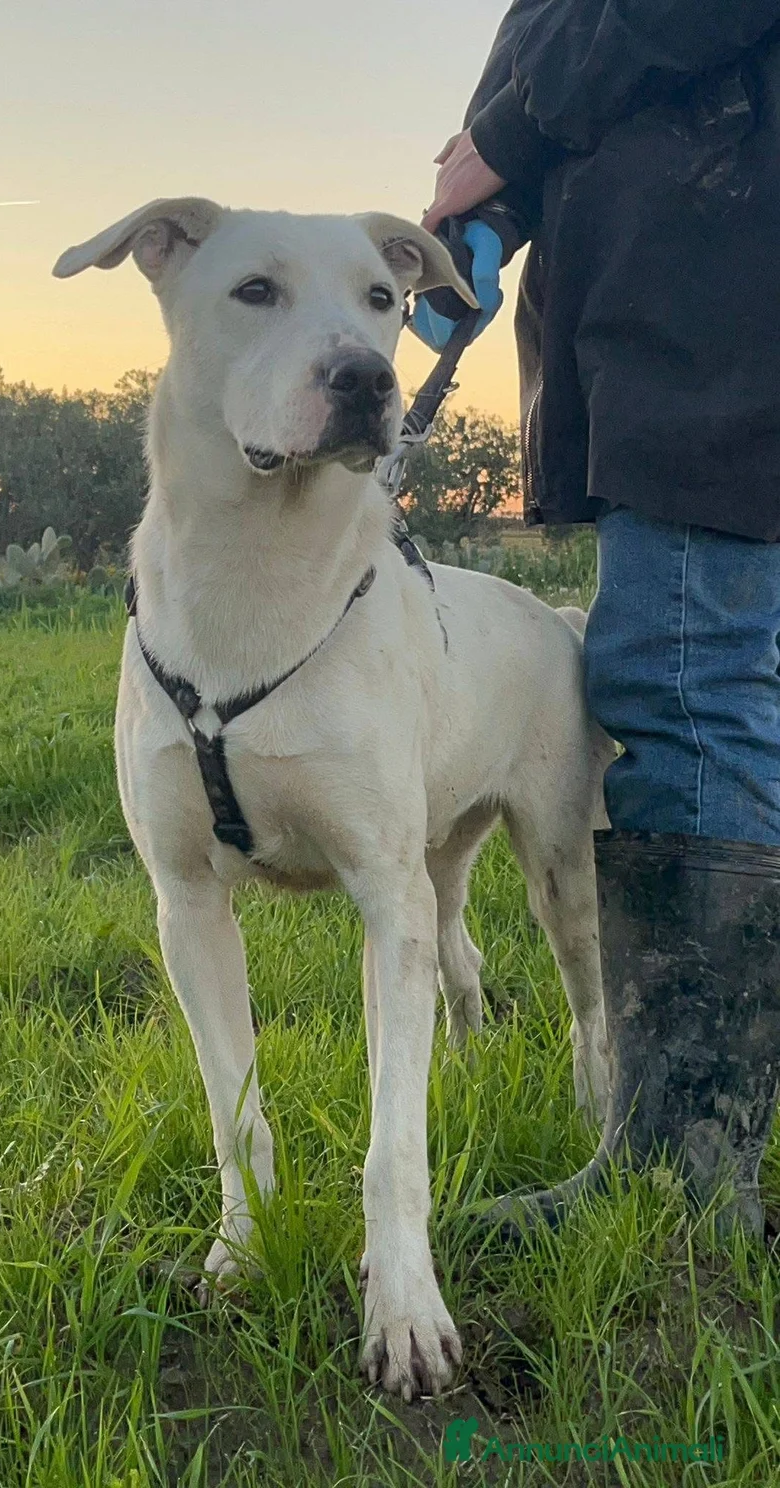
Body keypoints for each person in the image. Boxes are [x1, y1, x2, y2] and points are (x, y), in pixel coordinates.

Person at [415, 1, 780, 1234]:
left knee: (682, 673)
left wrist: (511, 131)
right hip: (690, 287)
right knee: (706, 668)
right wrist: (493, 210)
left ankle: (686, 1184)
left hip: (715, 299)